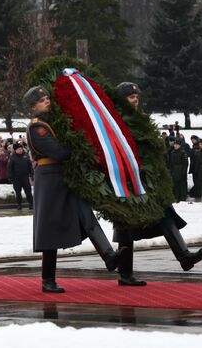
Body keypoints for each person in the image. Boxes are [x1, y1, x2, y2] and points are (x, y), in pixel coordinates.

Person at [24, 85, 125, 293]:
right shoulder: (37, 127)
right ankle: (48, 280)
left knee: (85, 214)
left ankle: (108, 256)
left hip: (64, 177)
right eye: (42, 101)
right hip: (50, 179)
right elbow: (57, 152)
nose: (47, 102)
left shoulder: (53, 123)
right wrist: (77, 147)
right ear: (33, 106)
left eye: (47, 99)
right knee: (49, 230)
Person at [112, 82, 202, 286]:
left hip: (145, 178)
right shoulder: (116, 121)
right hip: (126, 179)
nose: (136, 99)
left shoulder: (139, 119)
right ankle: (125, 274)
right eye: (130, 97)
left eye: (137, 96)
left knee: (164, 212)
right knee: (126, 225)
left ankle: (184, 256)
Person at [7, 143, 33, 210]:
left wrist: (31, 173)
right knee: (18, 192)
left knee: (28, 191)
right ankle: (19, 205)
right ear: (15, 150)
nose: (20, 150)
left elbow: (29, 166)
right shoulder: (13, 157)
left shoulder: (25, 156)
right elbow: (10, 168)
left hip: (25, 177)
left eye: (21, 149)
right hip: (16, 178)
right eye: (19, 149)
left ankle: (31, 204)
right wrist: (10, 177)